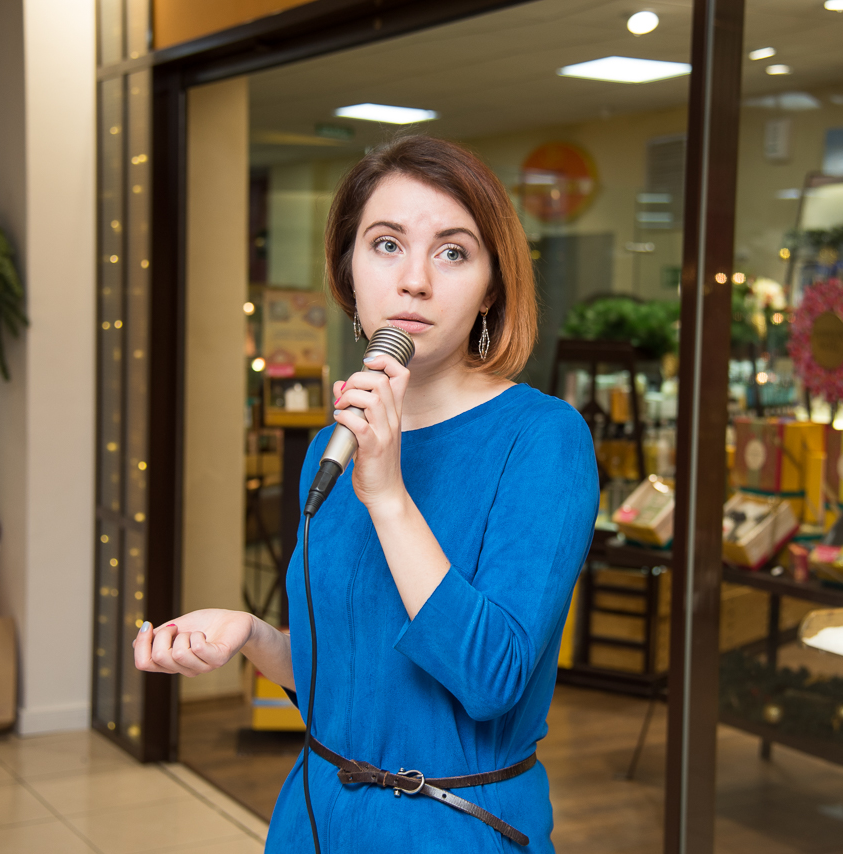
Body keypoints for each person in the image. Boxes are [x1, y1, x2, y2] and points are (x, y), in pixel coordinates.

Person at [134, 135, 600, 851]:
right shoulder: (335, 444)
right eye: (386, 244)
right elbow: (344, 678)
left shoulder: (542, 438)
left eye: (453, 252)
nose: (415, 280)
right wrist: (252, 636)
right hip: (314, 816)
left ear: (492, 287)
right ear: (348, 271)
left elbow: (492, 679)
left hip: (453, 826)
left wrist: (387, 495)